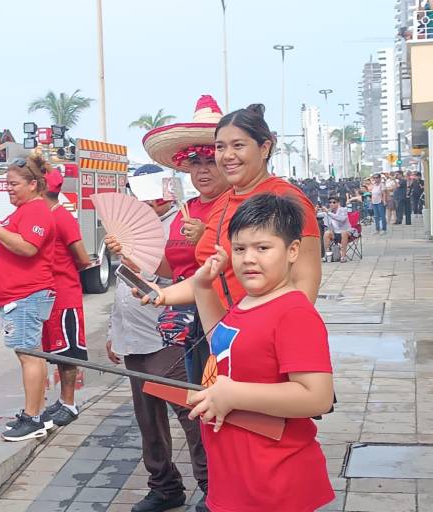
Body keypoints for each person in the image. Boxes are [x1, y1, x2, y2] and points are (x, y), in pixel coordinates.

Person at [188, 193, 335, 512]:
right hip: (235, 478)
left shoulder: (293, 312)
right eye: (239, 249)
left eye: (262, 248)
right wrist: (202, 289)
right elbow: (223, 344)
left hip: (274, 485)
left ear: (292, 250)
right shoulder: (249, 301)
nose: (248, 259)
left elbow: (317, 396)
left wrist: (234, 393)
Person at [148, 103, 322, 310]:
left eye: (238, 145)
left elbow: (305, 283)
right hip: (222, 333)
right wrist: (162, 294)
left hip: (263, 332)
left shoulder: (287, 199)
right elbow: (209, 279)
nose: (227, 155)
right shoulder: (223, 202)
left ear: (264, 148)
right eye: (220, 147)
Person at [106, 165, 208, 512]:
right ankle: (164, 486)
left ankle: (213, 486)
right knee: (148, 419)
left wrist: (136, 261)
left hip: (169, 337)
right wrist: (113, 330)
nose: (143, 201)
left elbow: (182, 278)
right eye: (137, 194)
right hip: (132, 336)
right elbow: (122, 284)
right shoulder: (129, 233)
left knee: (190, 413)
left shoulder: (183, 226)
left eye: (150, 193)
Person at [142, 95, 231, 386]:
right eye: (195, 162)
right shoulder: (185, 210)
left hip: (221, 317)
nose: (203, 170)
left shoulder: (235, 206)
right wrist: (134, 254)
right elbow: (172, 268)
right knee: (193, 397)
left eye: (211, 161)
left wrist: (206, 237)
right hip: (184, 321)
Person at [0, 154, 57, 442]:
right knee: (31, 354)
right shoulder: (24, 210)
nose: (8, 189)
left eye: (14, 184)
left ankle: (32, 418)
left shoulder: (36, 211)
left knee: (29, 355)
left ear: (33, 184)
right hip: (17, 294)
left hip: (27, 294)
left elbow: (28, 248)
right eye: (6, 184)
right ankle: (37, 413)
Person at [38, 167, 92, 427]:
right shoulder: (45, 216)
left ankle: (69, 403)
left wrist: (64, 273)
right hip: (50, 295)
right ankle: (62, 400)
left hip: (65, 295)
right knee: (57, 350)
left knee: (68, 351)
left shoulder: (62, 218)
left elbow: (82, 258)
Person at [321, 196, 352, 263]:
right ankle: (328, 255)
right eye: (330, 202)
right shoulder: (328, 212)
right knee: (327, 233)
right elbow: (319, 215)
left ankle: (343, 256)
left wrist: (328, 213)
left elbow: (342, 219)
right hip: (335, 233)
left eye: (334, 202)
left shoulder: (343, 210)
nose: (331, 204)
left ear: (338, 203)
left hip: (347, 233)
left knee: (344, 232)